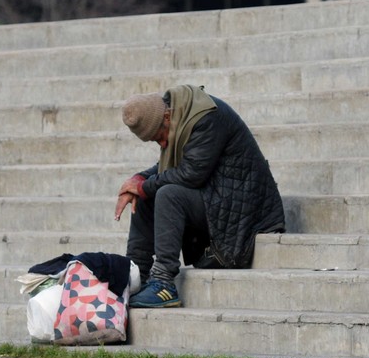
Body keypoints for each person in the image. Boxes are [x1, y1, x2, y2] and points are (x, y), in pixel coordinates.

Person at [115, 85, 285, 308]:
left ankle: (164, 281)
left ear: (166, 116)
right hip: (217, 198)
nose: (163, 145)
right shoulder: (179, 114)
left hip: (245, 211)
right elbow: (169, 167)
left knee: (167, 194)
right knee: (147, 194)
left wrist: (145, 186)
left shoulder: (206, 118)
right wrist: (136, 181)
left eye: (160, 138)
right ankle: (135, 278)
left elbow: (192, 173)